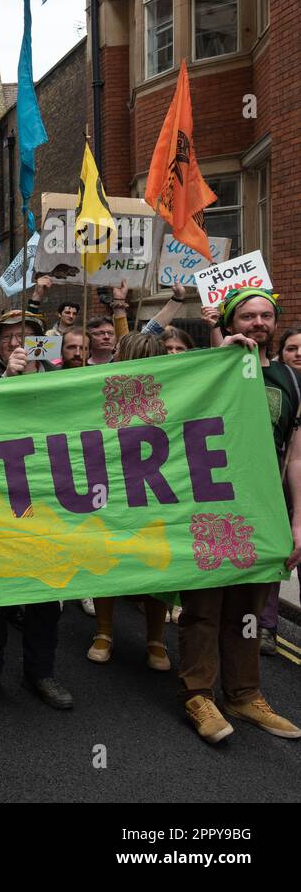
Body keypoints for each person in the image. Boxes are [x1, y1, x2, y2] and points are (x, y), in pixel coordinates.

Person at [176, 288, 301, 743]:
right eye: (247, 316)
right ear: (230, 323)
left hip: (263, 512)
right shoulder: (209, 368)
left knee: (248, 611)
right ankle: (197, 695)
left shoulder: (293, 379)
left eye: (266, 315)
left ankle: (245, 694)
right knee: (204, 608)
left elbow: (295, 458)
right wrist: (215, 358)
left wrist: (297, 522)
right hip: (213, 509)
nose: (258, 323)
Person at [0, 309, 73, 710]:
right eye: (8, 337)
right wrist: (7, 380)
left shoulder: (60, 378)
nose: (16, 343)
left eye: (26, 336)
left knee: (46, 596)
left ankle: (41, 673)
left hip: (46, 503)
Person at [84, 333, 172, 671]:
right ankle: (115, 635)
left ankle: (149, 639)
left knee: (156, 563)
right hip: (115, 485)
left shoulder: (173, 389)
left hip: (156, 489)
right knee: (110, 557)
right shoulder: (101, 386)